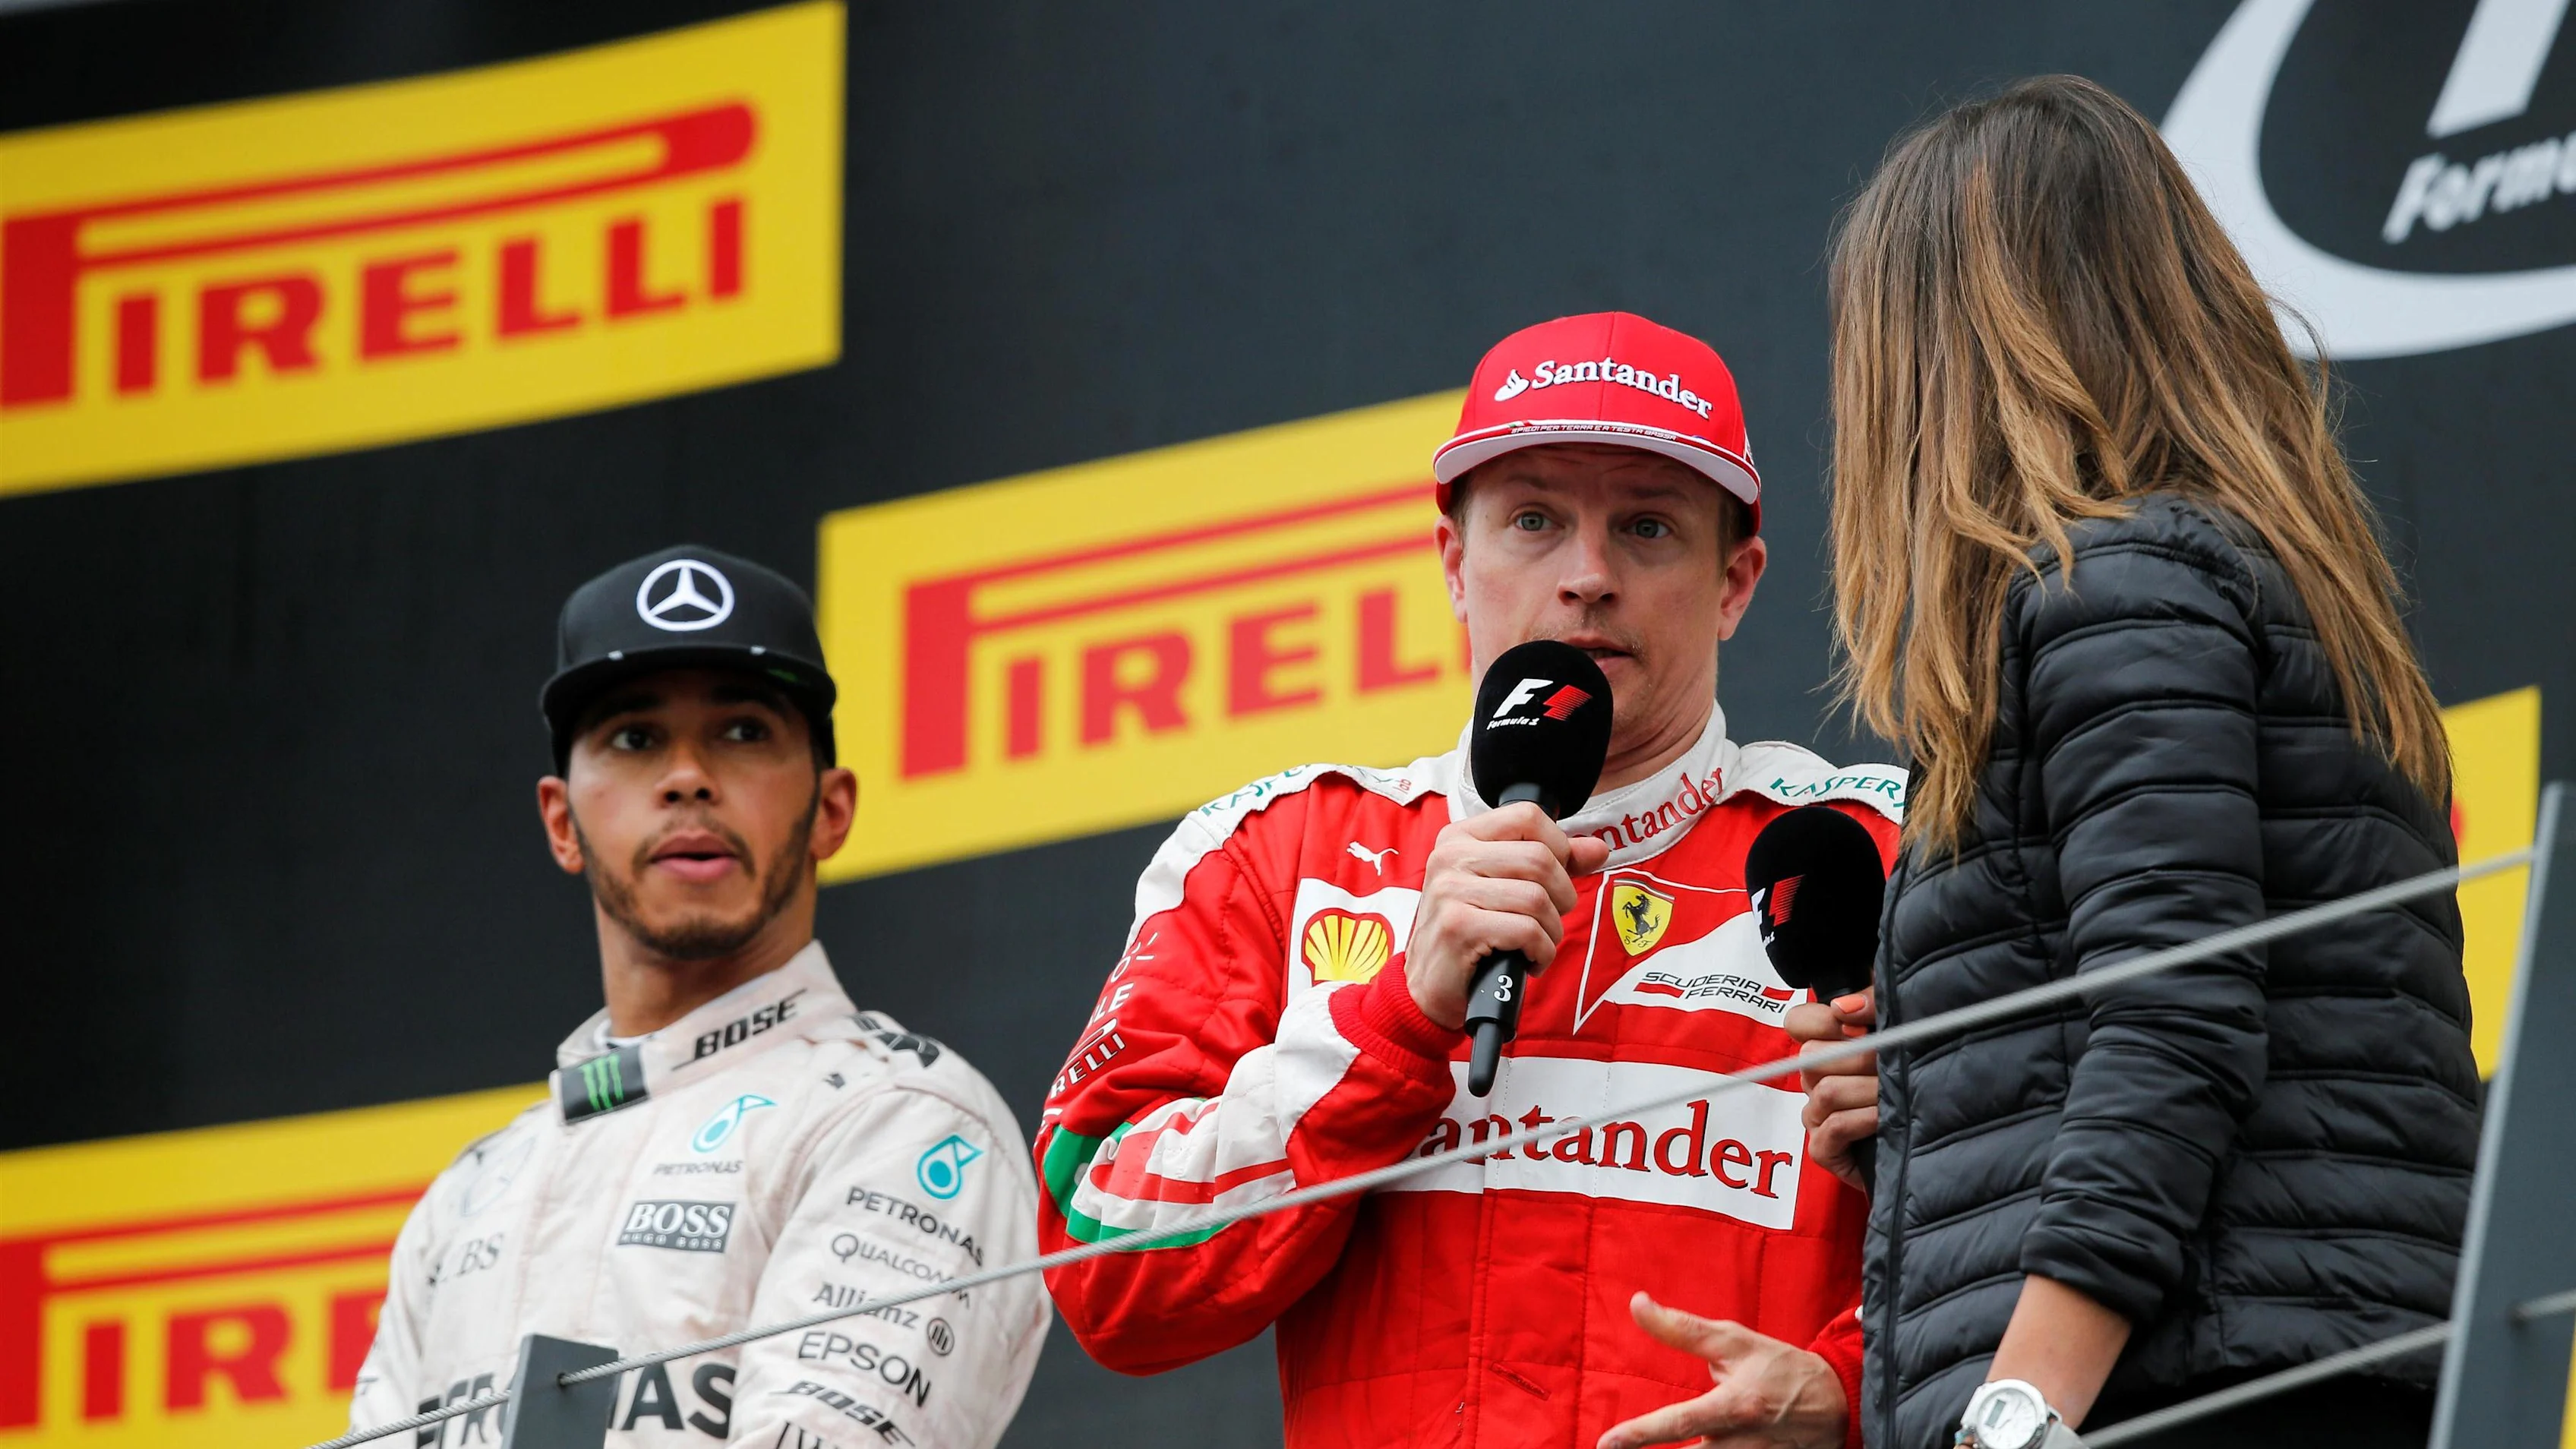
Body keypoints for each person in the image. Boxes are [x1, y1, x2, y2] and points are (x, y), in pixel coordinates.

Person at [1037, 312, 1909, 1449]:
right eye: (1534, 521)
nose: (1587, 578)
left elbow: (2066, 1214)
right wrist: (1394, 1020)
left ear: (1734, 583)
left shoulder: (1881, 853)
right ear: (1455, 564)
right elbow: (1101, 1266)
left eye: (1647, 527)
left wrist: (1851, 1390)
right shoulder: (1277, 852)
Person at [1798, 76, 2478, 1449]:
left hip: (2187, 1392)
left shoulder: (2117, 588)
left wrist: (2018, 1410)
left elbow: (2178, 1019)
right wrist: (1928, 1090)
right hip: (2285, 1363)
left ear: (1944, 356)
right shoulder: (2235, 587)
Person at [349, 546, 1049, 1449]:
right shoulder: (468, 1197)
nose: (687, 776)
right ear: (562, 822)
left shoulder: (901, 1121)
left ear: (830, 809)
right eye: (634, 739)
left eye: (743, 732)